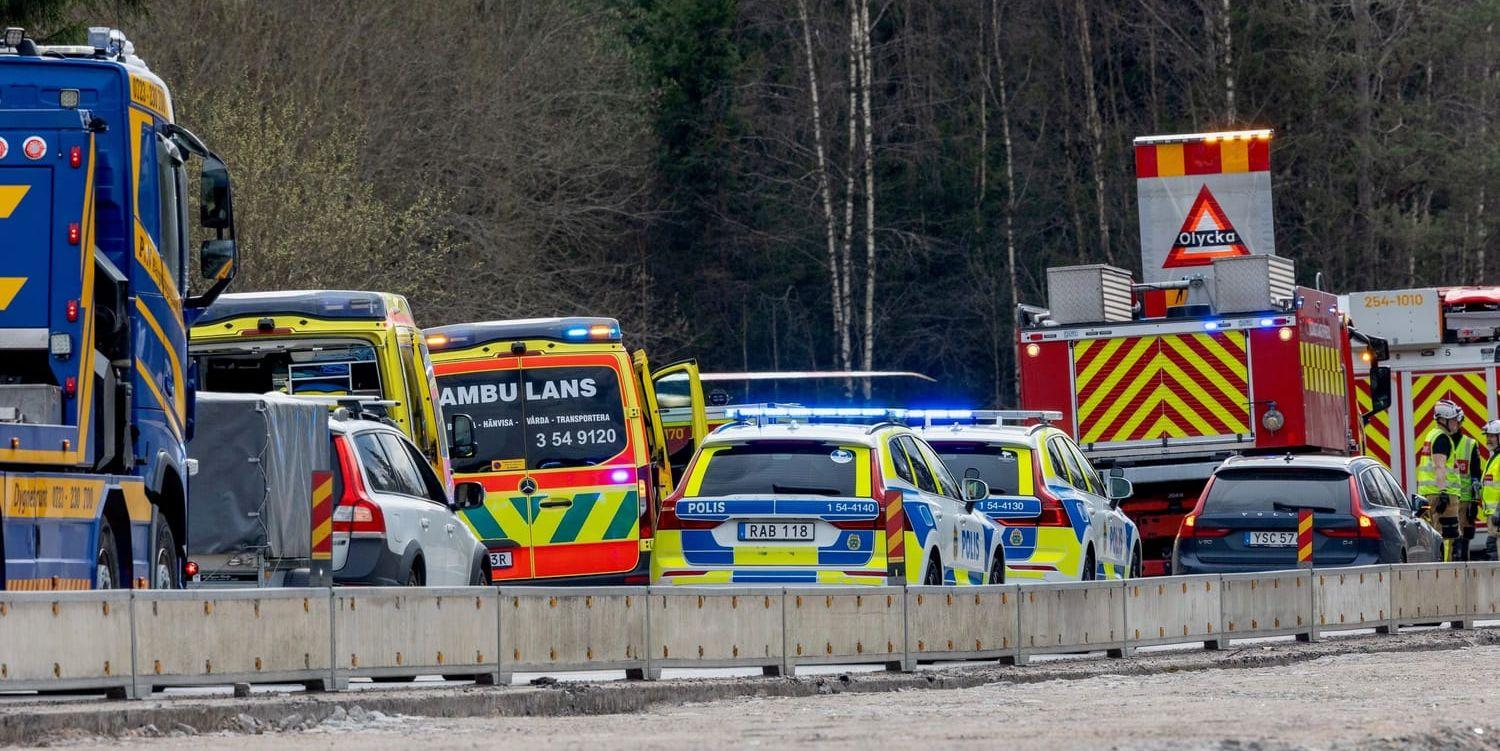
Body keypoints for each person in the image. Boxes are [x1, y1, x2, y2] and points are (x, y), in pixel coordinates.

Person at [1416, 400, 1482, 560]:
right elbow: (1439, 466)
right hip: (1442, 495)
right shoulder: (1442, 439)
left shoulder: (1431, 435)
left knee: (1433, 534)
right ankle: (1445, 569)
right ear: (1443, 420)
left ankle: (1436, 566)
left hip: (1428, 493)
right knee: (1447, 536)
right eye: (1453, 419)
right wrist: (1444, 492)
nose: (1456, 423)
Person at [1480, 420, 1500, 561]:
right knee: (1493, 550)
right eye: (1487, 436)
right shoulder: (1494, 457)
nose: (1488, 439)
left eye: (1492, 436)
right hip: (1493, 515)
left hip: (1497, 513)